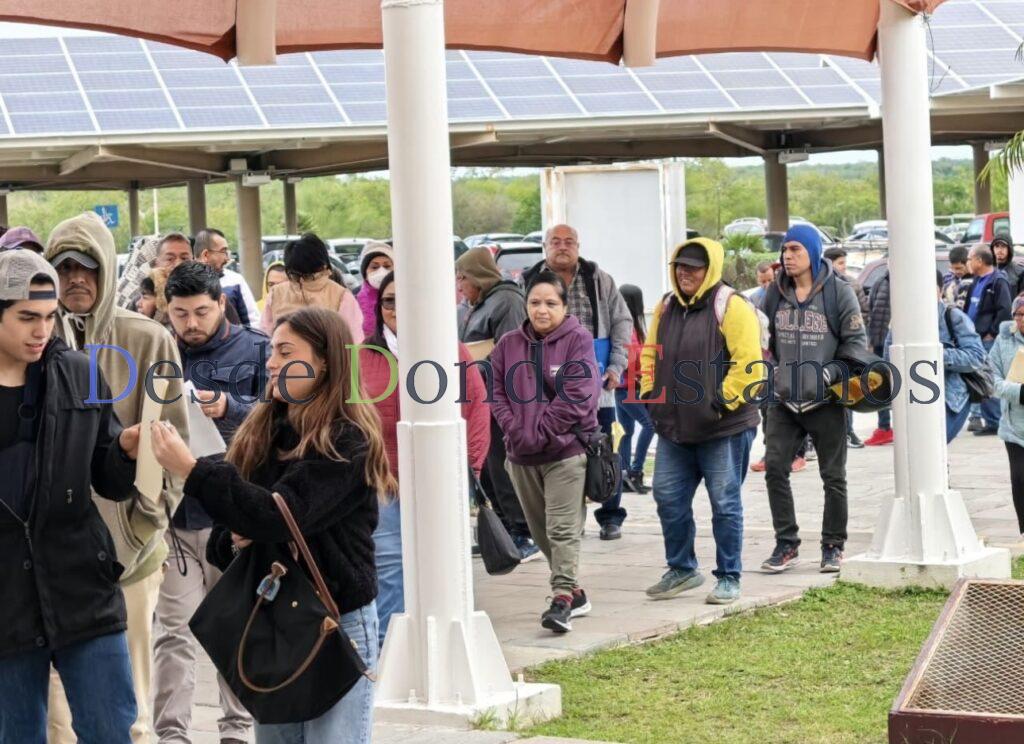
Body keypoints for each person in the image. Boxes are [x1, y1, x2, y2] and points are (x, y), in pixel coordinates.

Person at [150, 307, 392, 744]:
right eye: (272, 351)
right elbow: (224, 539)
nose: (272, 362)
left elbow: (279, 514)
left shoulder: (345, 439)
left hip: (334, 619)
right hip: (272, 617)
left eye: (285, 351)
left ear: (324, 362)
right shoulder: (263, 430)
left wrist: (193, 470)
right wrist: (237, 539)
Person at [43, 212, 189, 744]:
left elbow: (169, 440)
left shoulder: (148, 340)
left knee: (126, 703)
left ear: (108, 271)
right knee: (54, 709)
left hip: (127, 550)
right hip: (47, 555)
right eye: (64, 267)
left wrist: (140, 523)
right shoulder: (29, 336)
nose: (76, 278)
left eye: (89, 267)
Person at [0, 249, 141, 743]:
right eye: (26, 318)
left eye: (49, 317)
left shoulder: (80, 372)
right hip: (5, 605)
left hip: (83, 589)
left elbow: (110, 478)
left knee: (110, 732)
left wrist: (124, 449)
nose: (41, 330)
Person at [153, 261, 267, 744]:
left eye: (201, 311)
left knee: (239, 625)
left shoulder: (259, 349)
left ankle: (237, 730)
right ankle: (172, 734)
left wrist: (229, 408)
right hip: (176, 516)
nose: (191, 324)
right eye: (180, 314)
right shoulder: (156, 349)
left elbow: (282, 413)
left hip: (234, 514)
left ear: (222, 303)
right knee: (173, 632)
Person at [358, 271, 490, 643]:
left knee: (443, 567)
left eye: (406, 299)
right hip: (382, 482)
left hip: (439, 480)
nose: (397, 308)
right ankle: (389, 652)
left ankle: (444, 647)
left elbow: (477, 411)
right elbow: (348, 418)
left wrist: (470, 471)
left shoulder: (450, 349)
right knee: (388, 569)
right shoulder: (363, 356)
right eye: (388, 301)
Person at [639, 239, 762, 605]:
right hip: (674, 427)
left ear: (710, 269)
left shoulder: (732, 306)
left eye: (693, 267)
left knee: (724, 503)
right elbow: (649, 353)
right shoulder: (666, 306)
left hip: (721, 427)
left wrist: (719, 403)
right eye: (679, 266)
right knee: (667, 496)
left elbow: (749, 364)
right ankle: (682, 568)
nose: (685, 273)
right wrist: (650, 392)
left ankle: (728, 575)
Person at [490, 270, 600, 633]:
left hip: (565, 454)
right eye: (535, 302)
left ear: (564, 307)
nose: (542, 310)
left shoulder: (578, 340)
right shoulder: (508, 344)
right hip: (521, 456)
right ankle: (576, 591)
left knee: (562, 529)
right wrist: (515, 430)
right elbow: (498, 393)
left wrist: (539, 432)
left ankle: (562, 599)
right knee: (540, 532)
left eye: (551, 303)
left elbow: (578, 397)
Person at [761, 224, 867, 574]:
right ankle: (786, 543)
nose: (787, 256)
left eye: (794, 250)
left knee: (833, 476)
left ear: (811, 251)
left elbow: (855, 344)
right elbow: (765, 339)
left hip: (826, 401)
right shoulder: (774, 292)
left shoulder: (839, 292)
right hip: (784, 400)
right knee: (775, 468)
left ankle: (833, 545)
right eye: (784, 250)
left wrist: (833, 374)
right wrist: (769, 370)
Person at [521, 224, 631, 540]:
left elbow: (622, 321)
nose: (562, 247)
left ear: (578, 246)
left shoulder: (599, 279)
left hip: (597, 380)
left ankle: (610, 515)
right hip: (547, 385)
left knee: (605, 447)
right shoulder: (528, 281)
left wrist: (616, 366)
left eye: (569, 241)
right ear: (545, 246)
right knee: (558, 450)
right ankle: (567, 519)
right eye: (555, 241)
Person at [454, 246, 537, 560]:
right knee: (486, 466)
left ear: (477, 275)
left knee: (502, 467)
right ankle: (501, 529)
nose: (460, 285)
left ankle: (521, 531)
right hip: (479, 395)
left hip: (502, 397)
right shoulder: (477, 303)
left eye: (463, 278)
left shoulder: (507, 300)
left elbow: (513, 351)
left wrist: (479, 367)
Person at [886, 270, 986, 444]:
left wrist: (934, 355)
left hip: (950, 399)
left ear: (939, 291)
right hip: (911, 399)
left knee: (932, 447)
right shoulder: (900, 320)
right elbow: (887, 360)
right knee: (919, 454)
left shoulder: (953, 317)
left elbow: (977, 356)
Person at [261, 233, 364, 344]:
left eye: (308, 276)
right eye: (295, 275)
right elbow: (265, 334)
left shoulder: (341, 297)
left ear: (323, 267)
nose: (301, 280)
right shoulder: (276, 294)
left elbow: (354, 340)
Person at [963, 243, 1013, 436]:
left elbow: (1004, 310)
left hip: (988, 339)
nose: (968, 262)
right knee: (980, 380)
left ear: (979, 260)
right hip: (974, 338)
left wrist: (991, 332)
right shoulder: (976, 281)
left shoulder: (998, 281)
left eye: (969, 258)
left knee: (989, 379)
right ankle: (990, 420)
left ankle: (994, 421)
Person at [823, 246, 867, 449]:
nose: (843, 268)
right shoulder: (818, 286)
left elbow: (864, 312)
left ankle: (849, 431)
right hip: (825, 353)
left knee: (847, 390)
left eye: (844, 264)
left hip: (846, 351)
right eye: (840, 263)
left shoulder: (851, 285)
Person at [989, 296, 1024, 537]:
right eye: (1018, 314)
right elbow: (992, 380)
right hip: (1014, 426)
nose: (1021, 319)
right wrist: (1019, 392)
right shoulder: (1003, 341)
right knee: (1020, 480)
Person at [615, 284, 655, 494]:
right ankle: (635, 471)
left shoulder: (631, 326)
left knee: (626, 432)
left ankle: (623, 474)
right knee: (649, 425)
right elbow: (633, 359)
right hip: (628, 387)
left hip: (624, 387)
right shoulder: (628, 329)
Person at [193, 228, 261, 328]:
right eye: (223, 252)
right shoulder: (182, 284)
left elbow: (253, 324)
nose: (227, 258)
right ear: (206, 255)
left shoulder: (235, 281)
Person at [863, 265, 893, 446]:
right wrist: (871, 341)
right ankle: (884, 427)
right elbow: (871, 312)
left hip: (900, 342)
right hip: (880, 342)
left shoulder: (911, 281)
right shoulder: (881, 281)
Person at [356, 241, 394, 339]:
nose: (381, 271)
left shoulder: (406, 296)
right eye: (374, 267)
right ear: (365, 273)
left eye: (387, 266)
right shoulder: (354, 299)